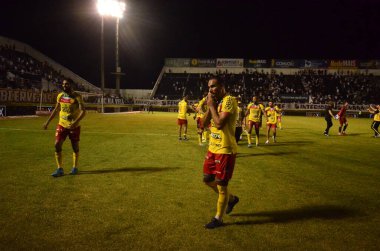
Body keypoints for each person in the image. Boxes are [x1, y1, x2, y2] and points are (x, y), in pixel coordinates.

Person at [201, 77, 239, 229]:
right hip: (212, 148)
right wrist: (211, 107)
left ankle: (218, 218)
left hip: (225, 149)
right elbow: (203, 124)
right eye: (209, 87)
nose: (210, 89)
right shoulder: (215, 103)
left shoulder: (229, 100)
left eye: (214, 86)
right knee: (207, 179)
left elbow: (219, 123)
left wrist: (211, 106)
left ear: (222, 86)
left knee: (221, 185)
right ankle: (231, 199)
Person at [43, 79, 86, 177]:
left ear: (71, 85)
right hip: (62, 124)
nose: (64, 86)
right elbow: (56, 109)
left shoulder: (77, 96)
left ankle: (75, 167)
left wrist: (75, 122)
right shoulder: (60, 96)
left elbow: (83, 111)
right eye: (63, 84)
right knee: (57, 144)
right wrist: (47, 122)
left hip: (74, 126)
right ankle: (59, 169)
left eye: (66, 84)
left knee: (75, 147)